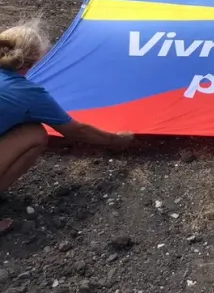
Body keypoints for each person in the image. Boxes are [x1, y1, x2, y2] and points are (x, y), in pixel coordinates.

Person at [0, 20, 134, 234]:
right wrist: (116, 140)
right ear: (34, 61)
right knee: (35, 134)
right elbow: (75, 130)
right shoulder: (27, 93)